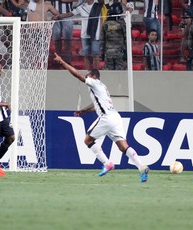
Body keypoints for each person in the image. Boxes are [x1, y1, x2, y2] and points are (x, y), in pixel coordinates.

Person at [53, 53, 150, 183]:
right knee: (123, 146)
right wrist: (84, 111)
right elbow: (97, 105)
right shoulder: (103, 87)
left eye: (88, 74)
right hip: (115, 117)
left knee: (87, 140)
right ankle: (142, 167)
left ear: (93, 76)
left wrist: (62, 63)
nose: (86, 76)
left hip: (107, 118)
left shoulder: (94, 82)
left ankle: (107, 163)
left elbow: (78, 76)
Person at [54, 0, 107, 70]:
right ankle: (88, 72)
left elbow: (102, 4)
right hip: (84, 35)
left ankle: (96, 72)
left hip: (95, 35)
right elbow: (70, 14)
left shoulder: (98, 5)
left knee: (95, 55)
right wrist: (59, 17)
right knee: (86, 55)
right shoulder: (81, 7)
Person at [100, 2, 127, 70]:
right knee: (121, 74)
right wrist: (127, 52)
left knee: (109, 74)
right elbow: (127, 39)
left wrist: (102, 52)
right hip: (120, 52)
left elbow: (102, 40)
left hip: (108, 52)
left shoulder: (105, 24)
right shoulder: (122, 24)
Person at [49, 0, 76, 65]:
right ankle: (58, 59)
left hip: (67, 15)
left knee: (67, 39)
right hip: (55, 14)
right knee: (57, 39)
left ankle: (68, 60)